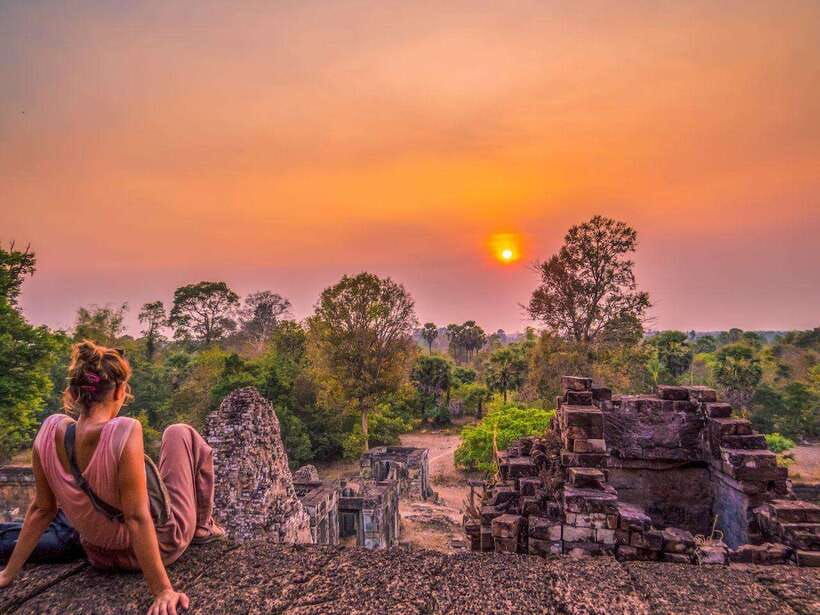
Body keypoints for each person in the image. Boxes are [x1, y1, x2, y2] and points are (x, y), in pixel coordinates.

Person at [0, 340, 224, 615]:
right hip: (160, 546)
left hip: (98, 554)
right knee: (179, 432)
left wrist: (8, 573)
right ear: (119, 390)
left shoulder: (48, 431)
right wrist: (163, 590)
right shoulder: (123, 430)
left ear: (73, 392)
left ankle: (198, 526)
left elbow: (41, 510)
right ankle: (202, 527)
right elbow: (136, 518)